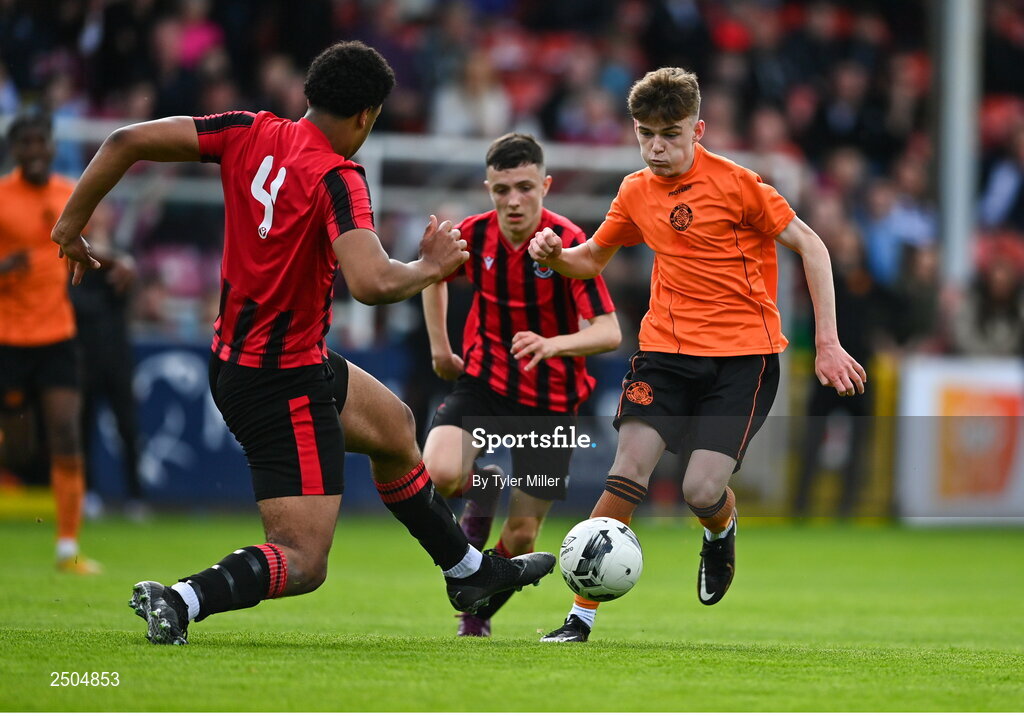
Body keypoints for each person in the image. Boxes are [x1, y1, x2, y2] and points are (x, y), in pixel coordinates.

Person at [51, 41, 554, 646]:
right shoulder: (339, 178)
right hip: (278, 380)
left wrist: (68, 226)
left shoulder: (248, 129)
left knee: (395, 428)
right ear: (366, 116)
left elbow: (125, 141)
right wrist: (429, 266)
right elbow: (370, 284)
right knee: (304, 559)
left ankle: (467, 572)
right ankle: (181, 599)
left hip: (259, 357)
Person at [529, 67, 866, 642]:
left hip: (743, 360)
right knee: (626, 470)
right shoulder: (635, 191)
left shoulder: (740, 185)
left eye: (671, 134)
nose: (657, 148)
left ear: (698, 129)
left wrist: (828, 343)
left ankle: (719, 529)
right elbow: (590, 260)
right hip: (663, 353)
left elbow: (812, 246)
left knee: (699, 491)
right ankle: (580, 617)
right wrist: (554, 254)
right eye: (645, 134)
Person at [421, 133, 620, 637]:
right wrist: (441, 348)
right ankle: (480, 490)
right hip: (484, 381)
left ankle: (476, 615)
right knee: (438, 473)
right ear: (488, 188)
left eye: (525, 188)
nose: (513, 200)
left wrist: (553, 345)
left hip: (550, 400)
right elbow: (432, 274)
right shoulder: (475, 234)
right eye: (502, 189)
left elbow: (609, 331)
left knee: (524, 533)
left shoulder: (568, 241)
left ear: (546, 186)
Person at [0, 112, 100, 575]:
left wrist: (117, 261)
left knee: (66, 432)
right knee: (19, 451)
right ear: (15, 150)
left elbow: (84, 246)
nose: (36, 150)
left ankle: (68, 549)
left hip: (56, 334)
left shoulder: (68, 193)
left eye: (42, 142)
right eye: (27, 144)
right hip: (8, 338)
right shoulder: (2, 197)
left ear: (52, 145)